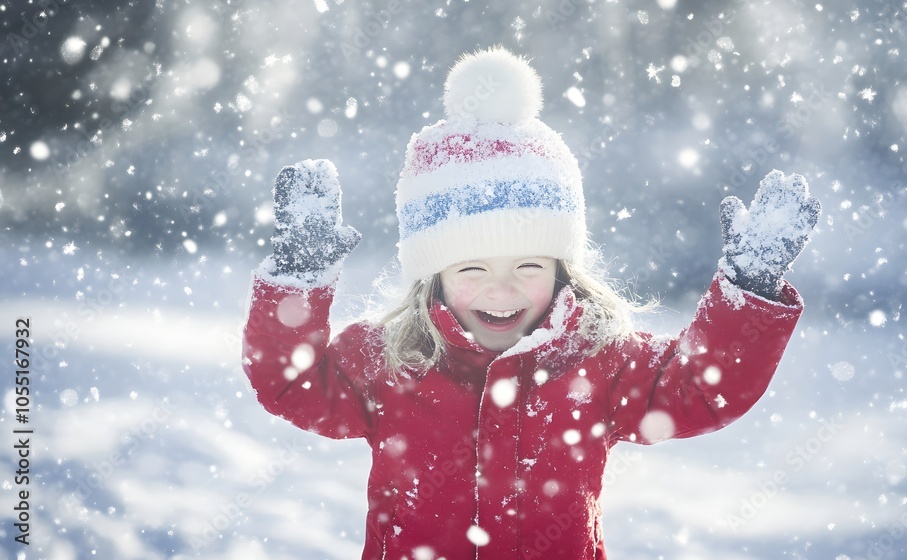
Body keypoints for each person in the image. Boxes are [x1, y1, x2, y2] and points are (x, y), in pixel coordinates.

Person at [242, 46, 821, 560]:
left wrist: (748, 291)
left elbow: (701, 389)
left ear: (562, 268)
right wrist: (299, 277)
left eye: (528, 266)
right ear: (433, 276)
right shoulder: (395, 359)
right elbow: (290, 383)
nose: (502, 288)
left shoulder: (599, 359)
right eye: (472, 268)